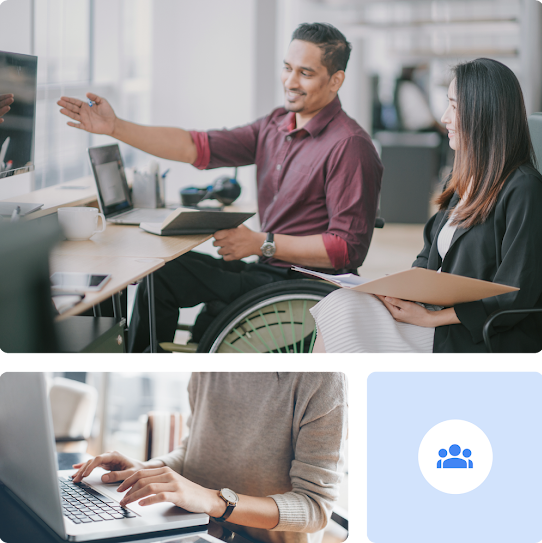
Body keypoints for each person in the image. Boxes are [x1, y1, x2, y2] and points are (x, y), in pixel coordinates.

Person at [57, 22, 383, 353]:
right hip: (268, 271)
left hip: (300, 286)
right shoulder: (274, 125)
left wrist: (262, 243)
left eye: (305, 73)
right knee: (160, 272)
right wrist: (116, 127)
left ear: (335, 80)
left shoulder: (350, 145)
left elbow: (347, 248)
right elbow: (195, 146)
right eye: (287, 68)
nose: (290, 81)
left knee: (165, 283)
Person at [311, 57, 542, 354]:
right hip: (435, 316)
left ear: (484, 113)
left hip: (477, 334)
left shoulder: (524, 189)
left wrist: (432, 318)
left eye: (455, 107)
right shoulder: (460, 181)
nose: (445, 117)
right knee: (341, 303)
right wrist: (394, 290)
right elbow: (427, 257)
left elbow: (516, 294)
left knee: (346, 322)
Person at [70, 371, 349, 543]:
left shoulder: (324, 379)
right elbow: (193, 449)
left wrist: (215, 500)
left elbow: (315, 507)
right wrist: (147, 469)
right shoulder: (214, 351)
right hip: (189, 528)